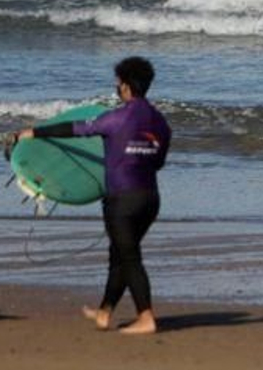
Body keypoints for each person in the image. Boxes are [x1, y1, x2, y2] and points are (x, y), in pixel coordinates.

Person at [15, 57, 172, 335]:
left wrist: (34, 133)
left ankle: (146, 316)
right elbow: (158, 162)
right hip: (149, 199)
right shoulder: (161, 123)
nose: (116, 88)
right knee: (120, 256)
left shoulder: (115, 118)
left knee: (129, 257)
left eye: (118, 83)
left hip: (121, 201)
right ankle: (104, 312)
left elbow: (75, 129)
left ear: (125, 86)